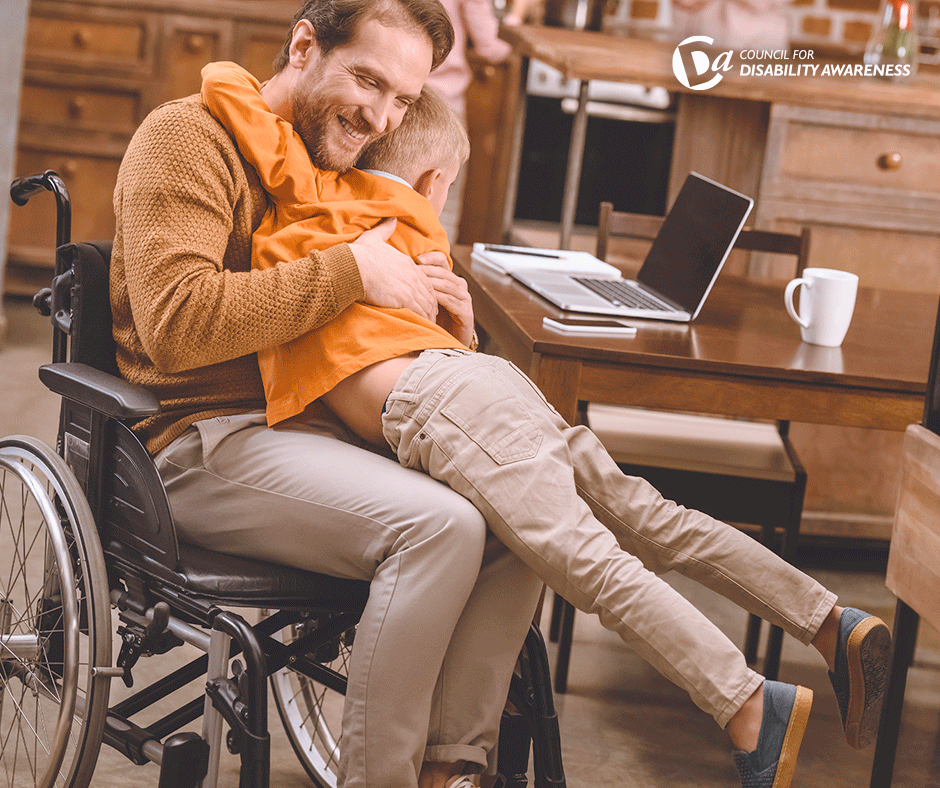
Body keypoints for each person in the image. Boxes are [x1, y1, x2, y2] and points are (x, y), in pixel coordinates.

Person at [198, 23, 894, 788]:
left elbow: (230, 94)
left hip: (441, 402)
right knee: (650, 519)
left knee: (587, 561)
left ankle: (745, 703)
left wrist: (267, 70)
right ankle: (829, 621)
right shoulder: (415, 228)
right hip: (485, 387)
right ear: (434, 184)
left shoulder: (313, 202)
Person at [110, 2, 544, 787]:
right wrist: (353, 271)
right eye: (367, 81)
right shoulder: (187, 139)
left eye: (403, 99)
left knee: (523, 508)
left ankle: (451, 769)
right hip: (203, 437)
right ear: (305, 45)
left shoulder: (341, 166)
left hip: (324, 431)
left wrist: (444, 329)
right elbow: (176, 324)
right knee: (440, 527)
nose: (381, 118)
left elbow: (355, 338)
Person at [198, 61, 472, 427]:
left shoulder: (315, 186)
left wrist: (248, 76)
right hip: (417, 387)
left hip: (340, 389)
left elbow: (223, 85)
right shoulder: (429, 239)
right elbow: (428, 334)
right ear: (432, 183)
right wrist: (463, 337)